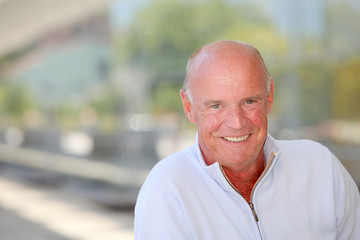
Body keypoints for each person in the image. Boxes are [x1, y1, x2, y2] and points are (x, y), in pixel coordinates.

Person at [134, 40, 360, 239]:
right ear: (189, 107)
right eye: (216, 106)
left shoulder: (320, 167)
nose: (237, 122)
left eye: (249, 101)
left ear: (269, 96)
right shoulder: (166, 191)